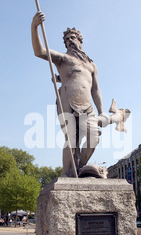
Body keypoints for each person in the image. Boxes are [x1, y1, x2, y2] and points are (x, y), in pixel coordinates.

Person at [31, 11, 109, 177]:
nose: (69, 42)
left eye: (72, 38)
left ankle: (79, 167)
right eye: (66, 40)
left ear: (80, 40)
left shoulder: (91, 65)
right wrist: (34, 26)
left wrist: (102, 111)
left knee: (94, 137)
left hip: (87, 107)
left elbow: (96, 89)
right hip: (68, 103)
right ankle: (68, 173)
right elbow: (39, 51)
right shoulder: (63, 59)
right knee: (72, 140)